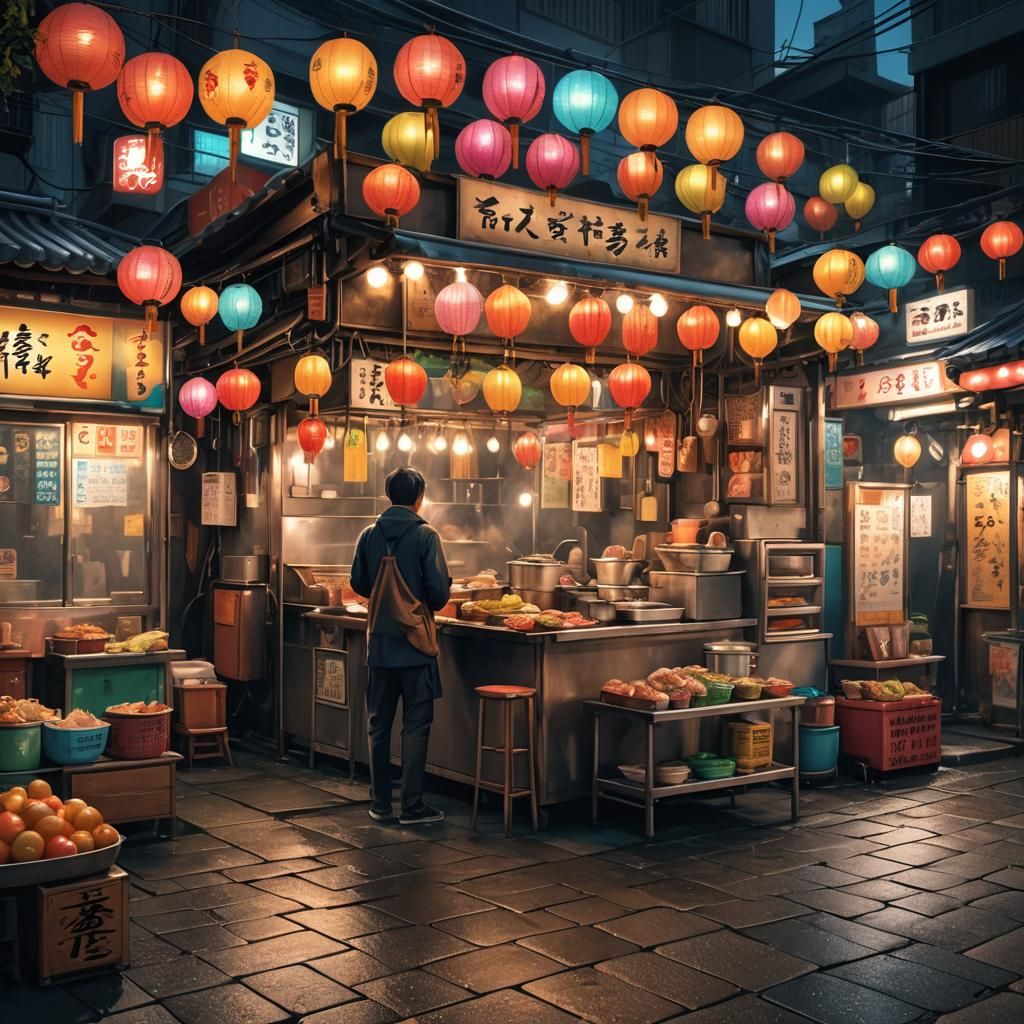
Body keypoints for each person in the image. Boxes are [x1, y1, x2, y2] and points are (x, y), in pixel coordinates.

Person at [351, 466, 451, 824]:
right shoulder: (426, 535)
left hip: (379, 643)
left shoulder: (369, 534)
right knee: (417, 725)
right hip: (415, 645)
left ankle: (380, 804)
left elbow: (359, 583)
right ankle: (411, 807)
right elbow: (438, 595)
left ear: (388, 495)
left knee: (378, 725)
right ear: (419, 497)